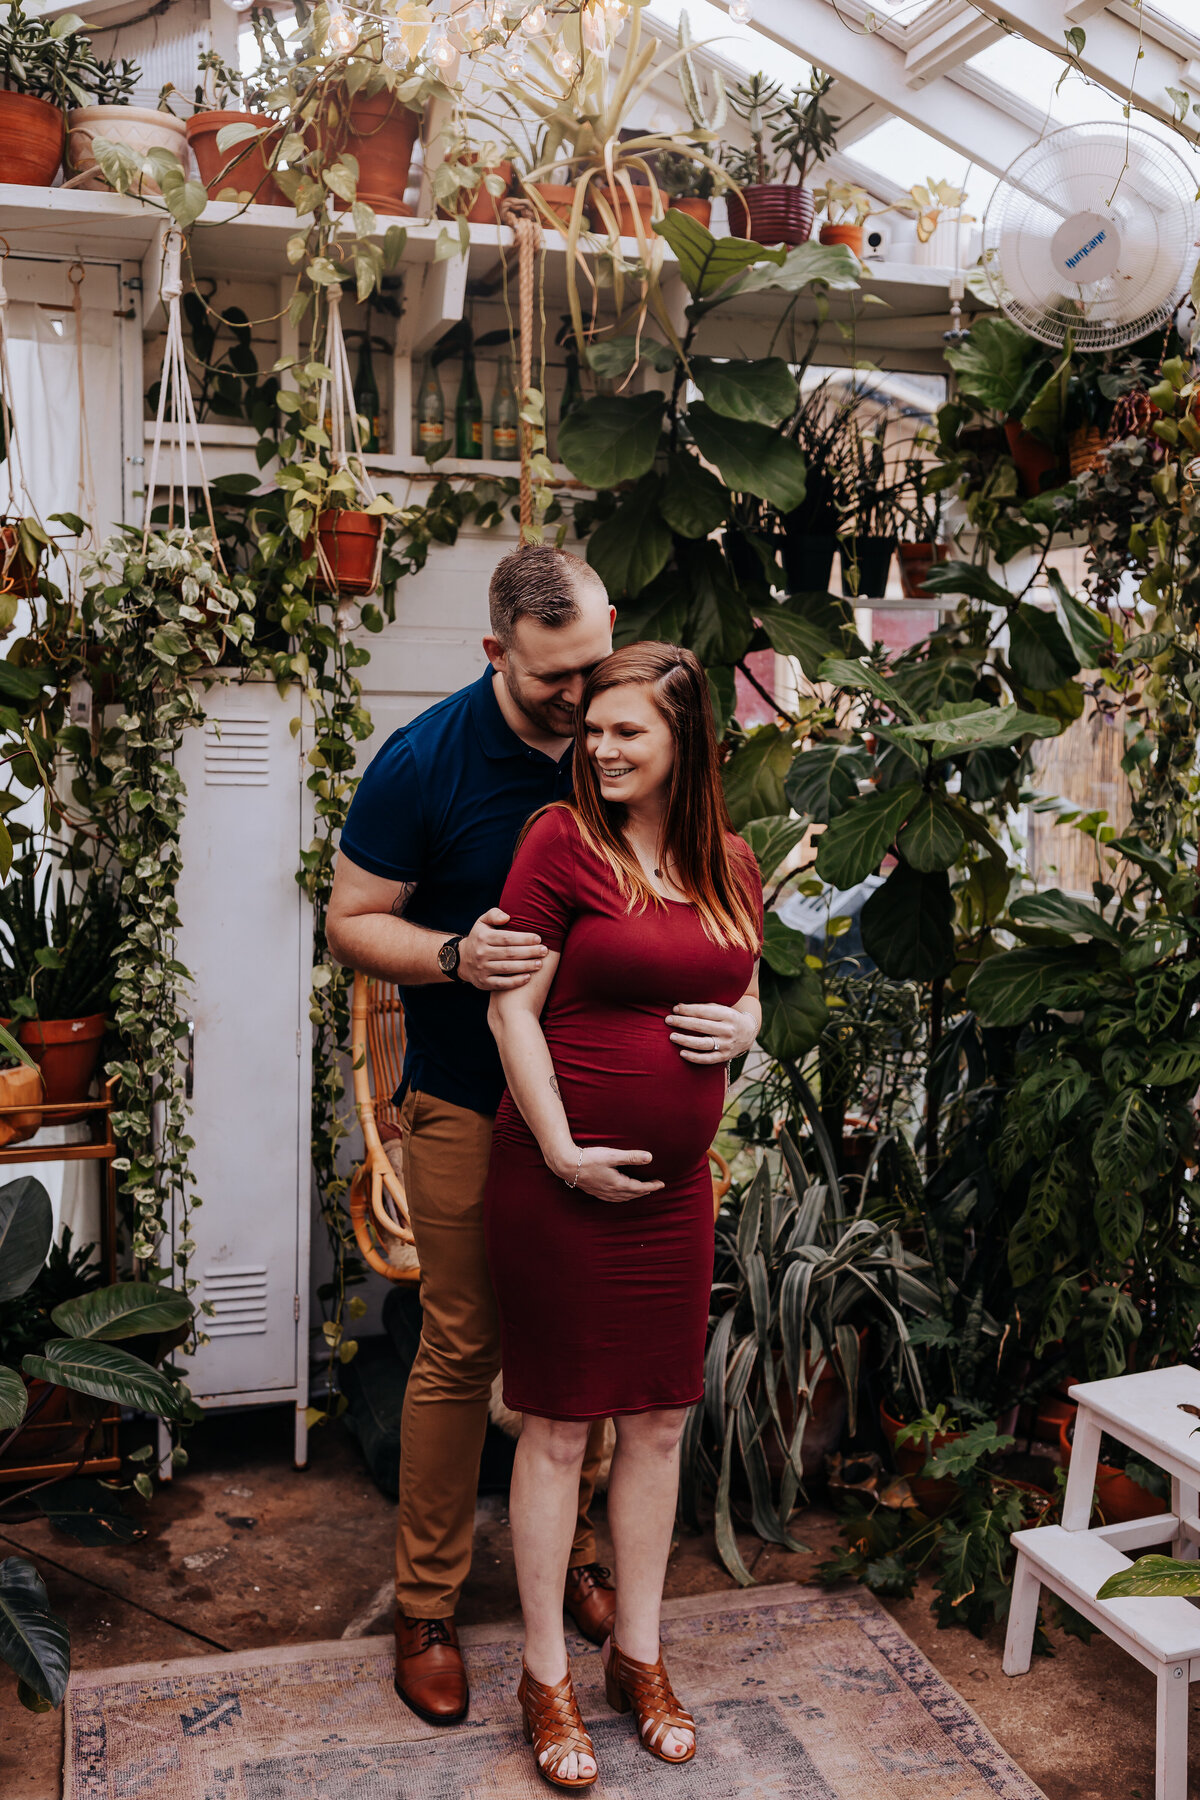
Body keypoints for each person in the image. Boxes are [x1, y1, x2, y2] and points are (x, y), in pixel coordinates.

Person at [326, 546, 622, 1727]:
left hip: (600, 1088)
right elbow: (353, 921)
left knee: (585, 1335)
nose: (584, 701)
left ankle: (584, 1552)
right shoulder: (423, 763)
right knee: (459, 1349)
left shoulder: (629, 731)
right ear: (496, 653)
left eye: (596, 665)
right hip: (463, 1094)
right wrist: (452, 957)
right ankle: (429, 1606)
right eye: (557, 680)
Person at [484, 643, 764, 1789]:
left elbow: (745, 988)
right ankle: (547, 1672)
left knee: (658, 1423)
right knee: (557, 1429)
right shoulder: (561, 843)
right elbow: (513, 1012)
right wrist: (561, 1152)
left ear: (682, 744)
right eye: (590, 730)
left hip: (674, 1199)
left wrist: (749, 1034)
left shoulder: (731, 862)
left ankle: (637, 1656)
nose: (596, 749)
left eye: (624, 733)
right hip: (555, 1184)